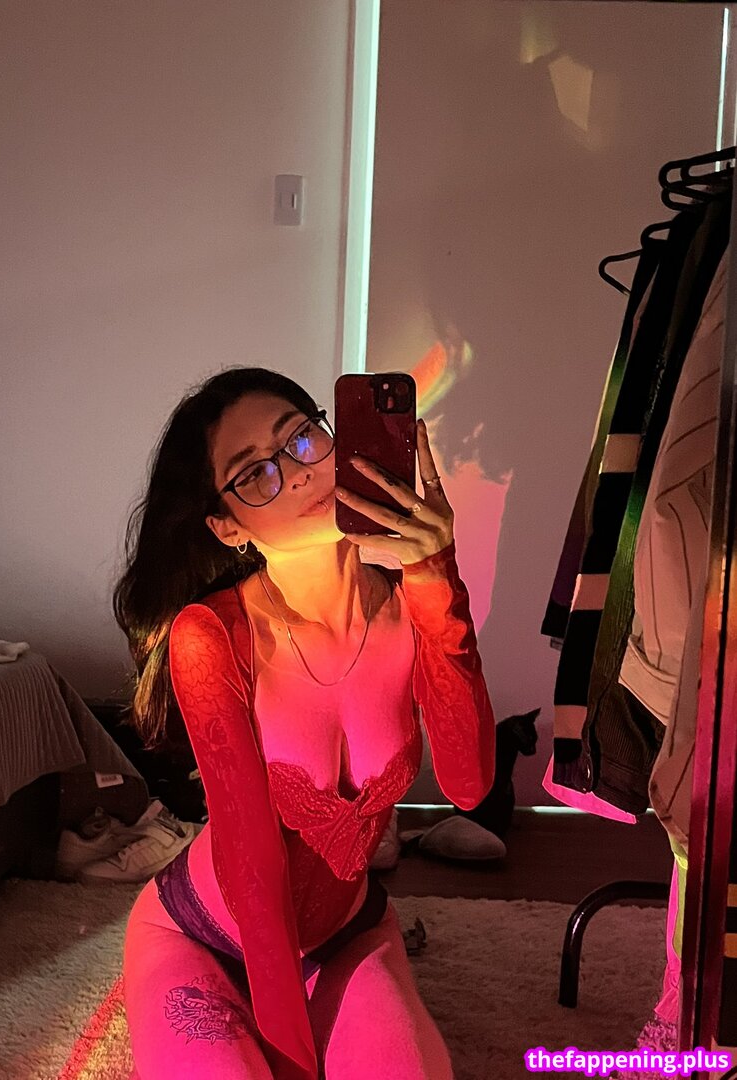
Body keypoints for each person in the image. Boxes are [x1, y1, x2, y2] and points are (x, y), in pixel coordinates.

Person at [114, 367, 495, 1080]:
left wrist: (437, 574)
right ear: (228, 526)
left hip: (349, 934)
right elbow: (253, 873)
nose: (295, 473)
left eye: (301, 439)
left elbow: (469, 784)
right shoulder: (212, 635)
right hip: (201, 937)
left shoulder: (414, 604)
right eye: (254, 473)